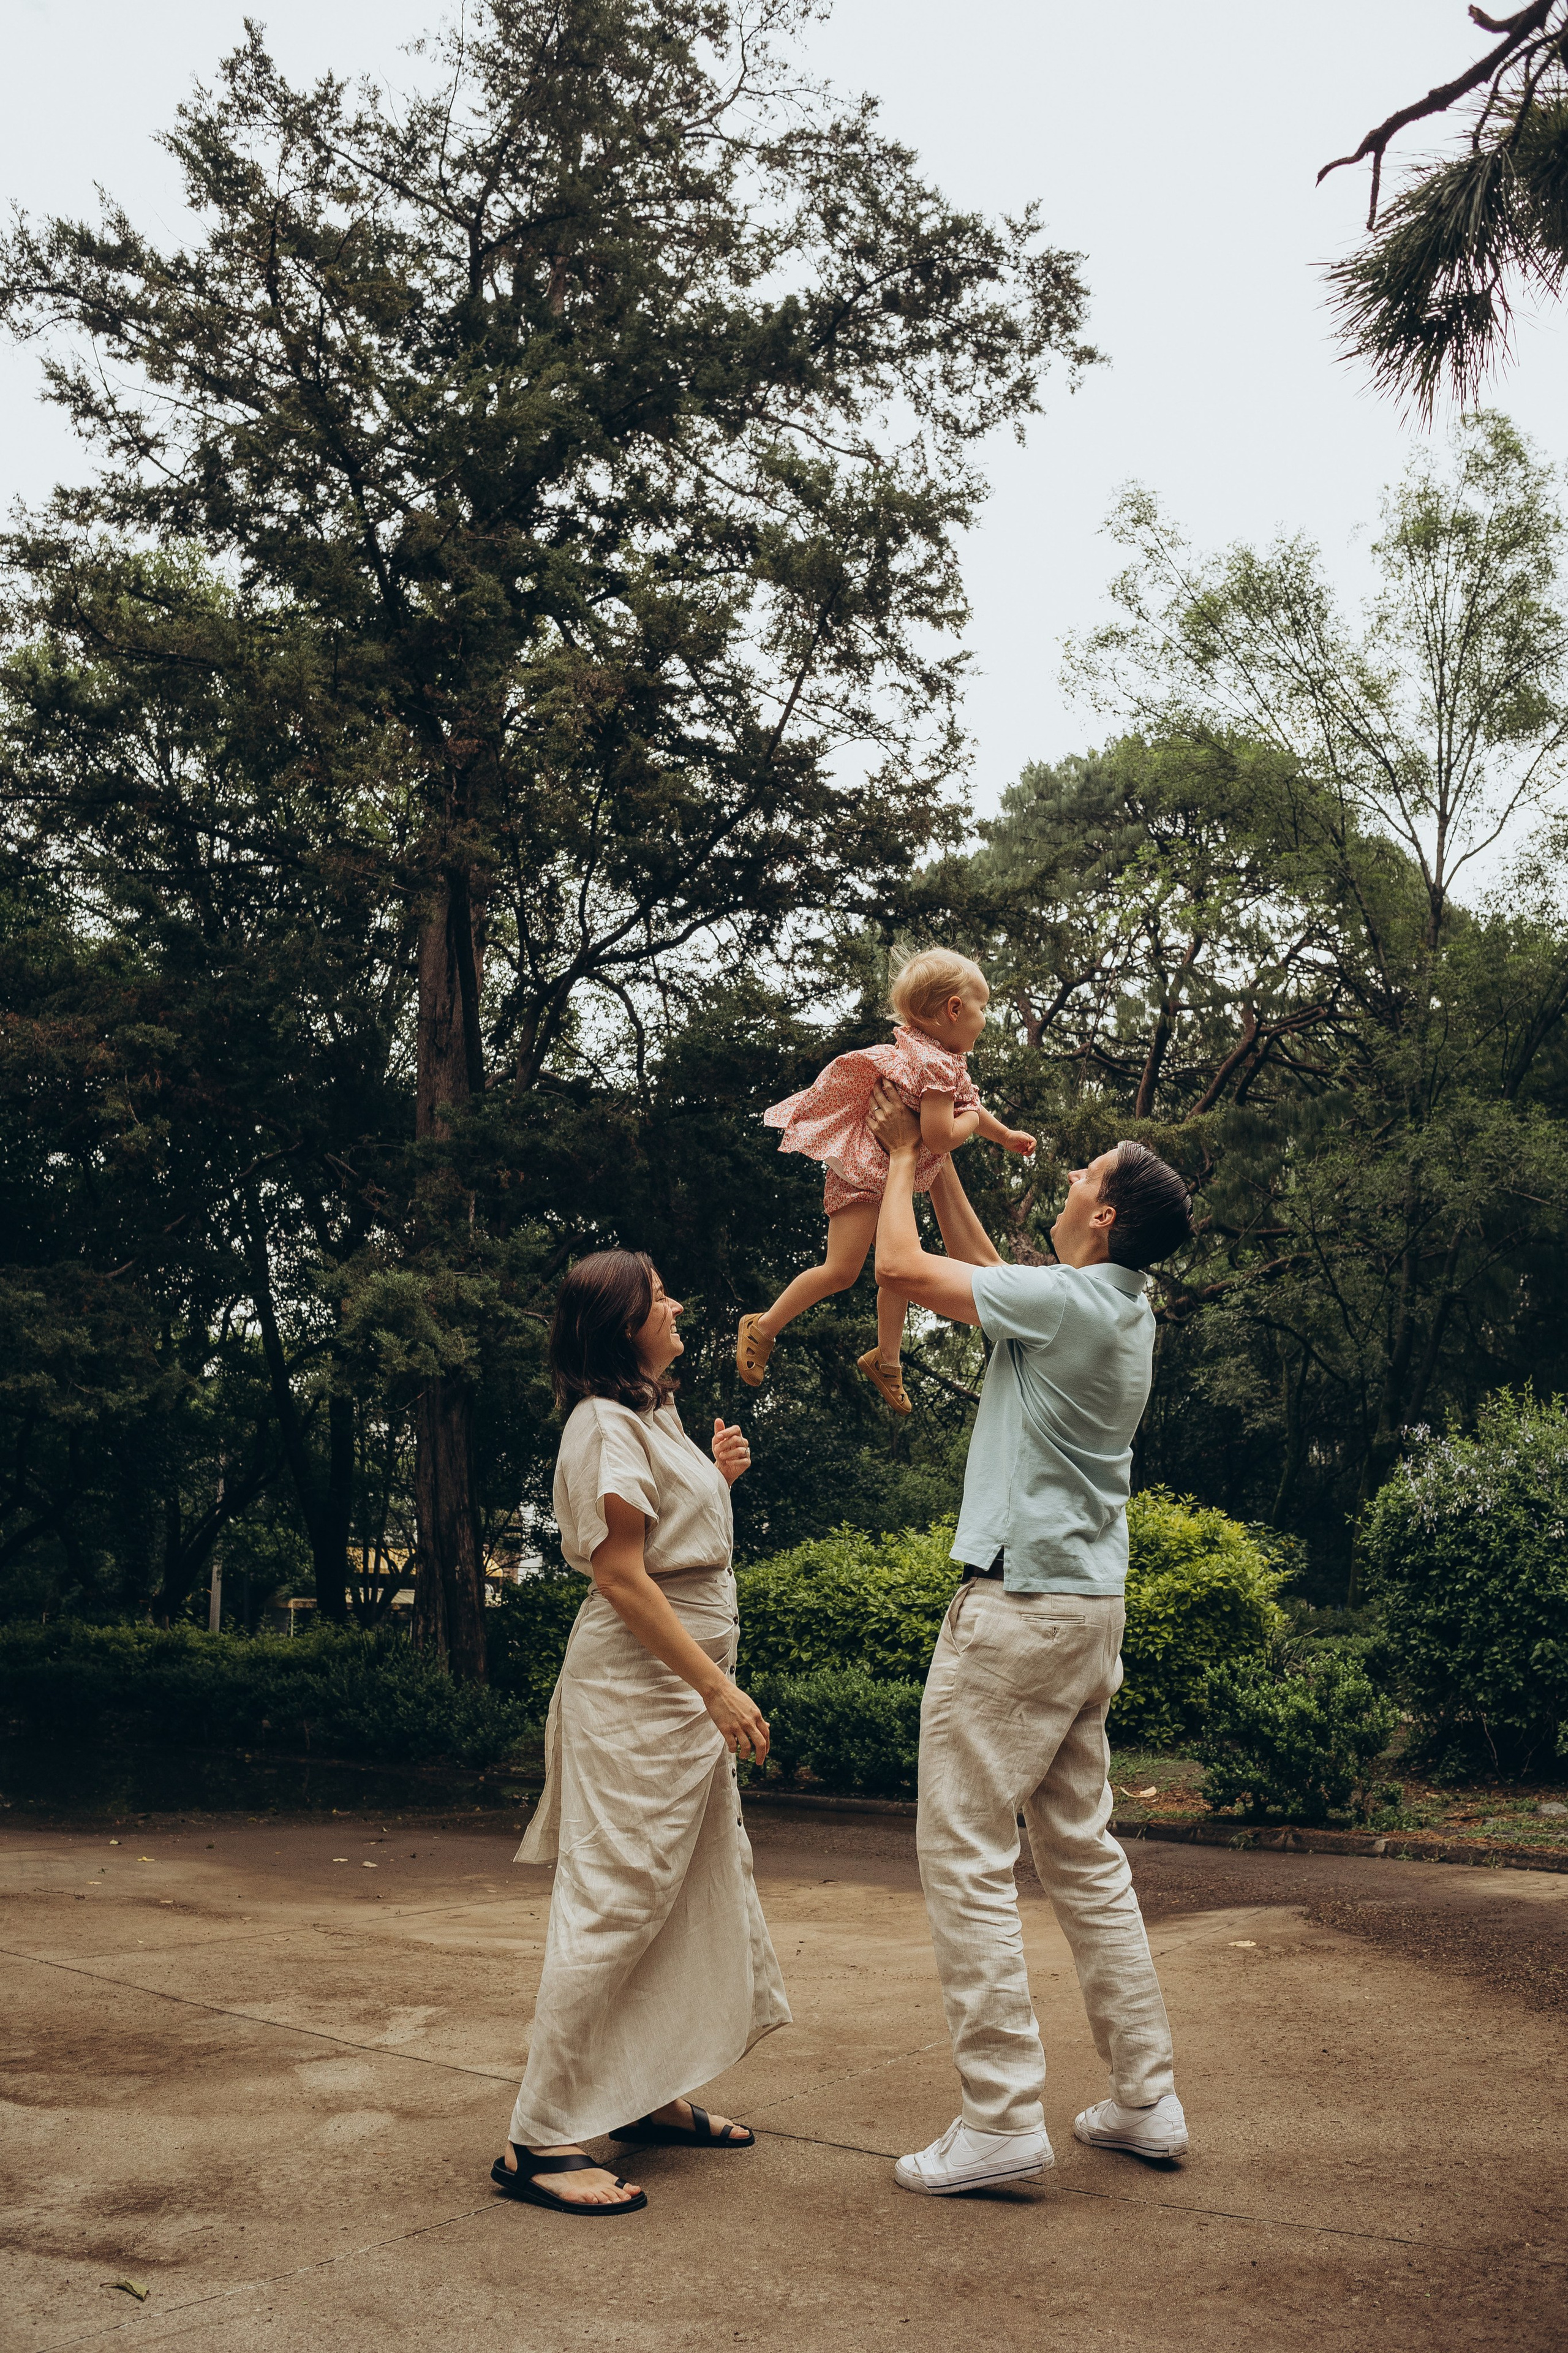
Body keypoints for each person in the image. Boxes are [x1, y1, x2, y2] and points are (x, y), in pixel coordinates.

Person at [865, 1081, 1195, 2196]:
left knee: (963, 1852)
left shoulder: (1069, 1304)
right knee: (1084, 1858)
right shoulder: (1111, 1304)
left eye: (1084, 1173)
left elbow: (901, 1271)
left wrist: (899, 1156)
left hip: (1017, 1614)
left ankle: (1001, 2117)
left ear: (1104, 1215)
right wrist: (944, 1162)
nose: (1067, 1176)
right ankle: (1146, 2098)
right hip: (1086, 1613)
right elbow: (981, 1270)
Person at [493, 1250, 791, 2216]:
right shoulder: (601, 1423)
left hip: (678, 1697)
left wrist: (718, 1479)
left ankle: (647, 2091)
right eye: (660, 1296)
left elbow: (671, 1547)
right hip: (639, 1697)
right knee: (618, 1900)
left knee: (686, 1892)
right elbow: (621, 1577)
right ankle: (539, 2138)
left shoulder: (652, 1415)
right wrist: (716, 1689)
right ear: (625, 1325)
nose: (677, 1303)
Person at [737, 949, 1035, 1414]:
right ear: (954, 1009)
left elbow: (967, 1104)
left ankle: (887, 1359)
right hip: (862, 1177)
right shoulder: (935, 1064)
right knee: (841, 1271)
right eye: (983, 1008)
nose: (984, 1020)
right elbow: (940, 1134)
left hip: (887, 1176)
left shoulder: (937, 1056)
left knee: (904, 1269)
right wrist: (973, 1123)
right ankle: (764, 1326)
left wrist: (1004, 1135)